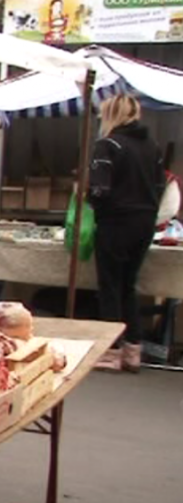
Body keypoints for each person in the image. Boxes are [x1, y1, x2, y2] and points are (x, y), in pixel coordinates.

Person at [89, 94, 164, 372]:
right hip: (144, 222)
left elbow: (99, 190)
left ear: (111, 115)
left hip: (115, 222)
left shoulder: (107, 145)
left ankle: (112, 351)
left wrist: (90, 199)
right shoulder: (151, 146)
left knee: (109, 286)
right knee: (128, 285)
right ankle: (134, 349)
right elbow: (160, 185)